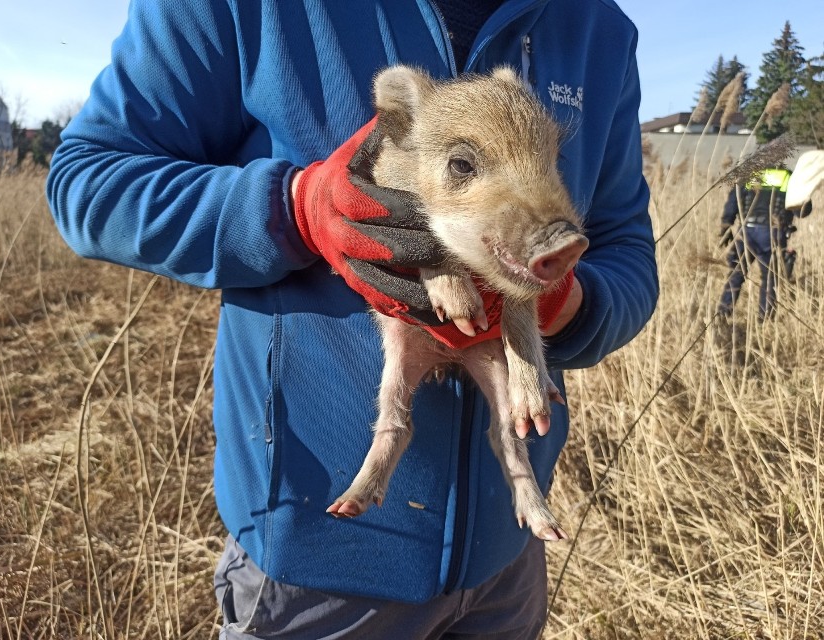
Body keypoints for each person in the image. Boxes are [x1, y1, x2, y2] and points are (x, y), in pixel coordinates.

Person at [46, 1, 658, 637]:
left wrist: (568, 302)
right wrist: (296, 208)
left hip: (509, 560)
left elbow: (626, 251)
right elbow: (88, 180)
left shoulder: (597, 27)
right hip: (314, 564)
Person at [718, 166, 811, 321]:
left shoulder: (749, 174)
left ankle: (722, 315)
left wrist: (726, 225)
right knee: (770, 279)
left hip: (746, 232)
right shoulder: (789, 177)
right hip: (772, 234)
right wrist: (806, 192)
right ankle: (765, 319)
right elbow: (801, 211)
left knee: (735, 276)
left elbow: (733, 202)